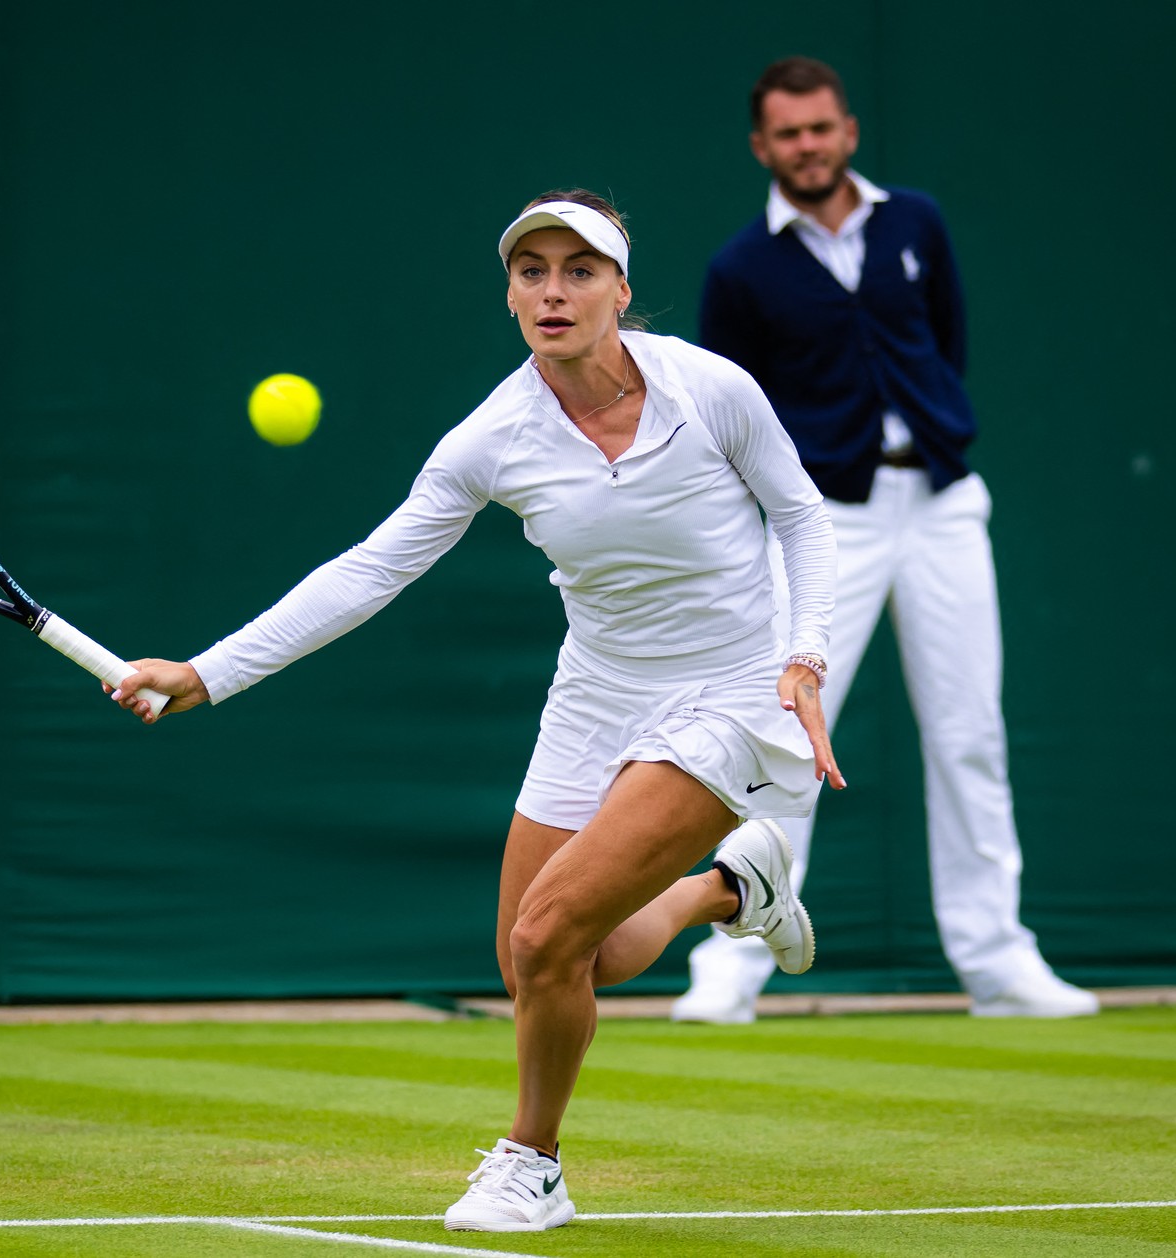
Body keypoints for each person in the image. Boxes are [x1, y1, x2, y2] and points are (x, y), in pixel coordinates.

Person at [107, 190, 846, 1232]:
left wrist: (805, 654)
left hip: (734, 684)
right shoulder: (492, 438)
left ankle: (531, 1162)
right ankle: (727, 891)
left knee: (549, 930)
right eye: (531, 270)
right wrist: (207, 670)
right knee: (542, 958)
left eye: (579, 270)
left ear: (621, 290)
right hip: (597, 689)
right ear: (509, 294)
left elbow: (802, 515)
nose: (554, 289)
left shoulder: (710, 387)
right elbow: (369, 572)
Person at [670, 56, 1098, 1024]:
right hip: (828, 519)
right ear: (761, 147)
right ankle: (731, 964)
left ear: (848, 131)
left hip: (942, 501)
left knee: (970, 733)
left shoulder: (917, 224)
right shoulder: (740, 270)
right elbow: (731, 413)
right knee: (782, 737)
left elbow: (946, 346)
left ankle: (997, 961)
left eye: (821, 128)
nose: (807, 146)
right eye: (788, 133)